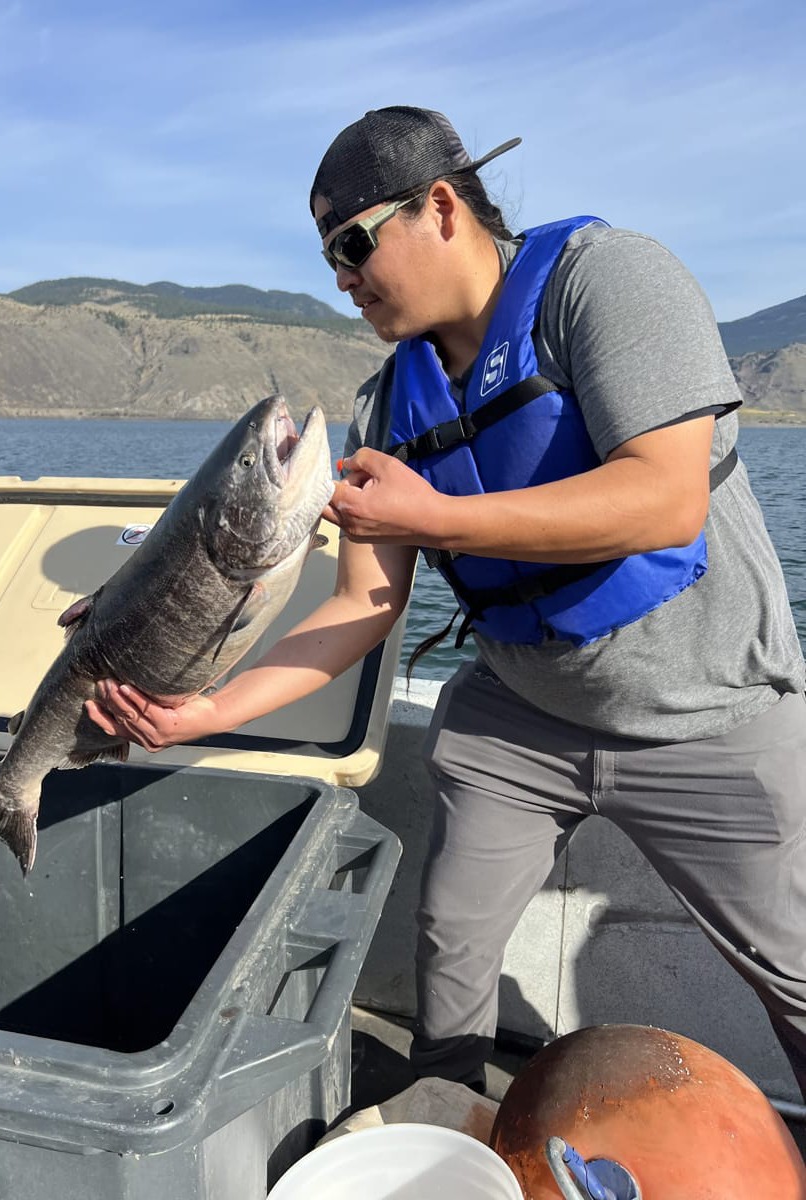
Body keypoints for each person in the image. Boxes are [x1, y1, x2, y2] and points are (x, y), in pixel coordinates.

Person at [87, 106, 806, 1099]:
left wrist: (440, 516)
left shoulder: (606, 282)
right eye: (327, 256)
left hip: (709, 709)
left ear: (439, 205)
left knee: (795, 976)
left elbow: (666, 495)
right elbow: (363, 606)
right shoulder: (390, 404)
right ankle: (447, 1118)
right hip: (524, 714)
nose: (339, 277)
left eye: (350, 243)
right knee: (452, 941)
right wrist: (210, 711)